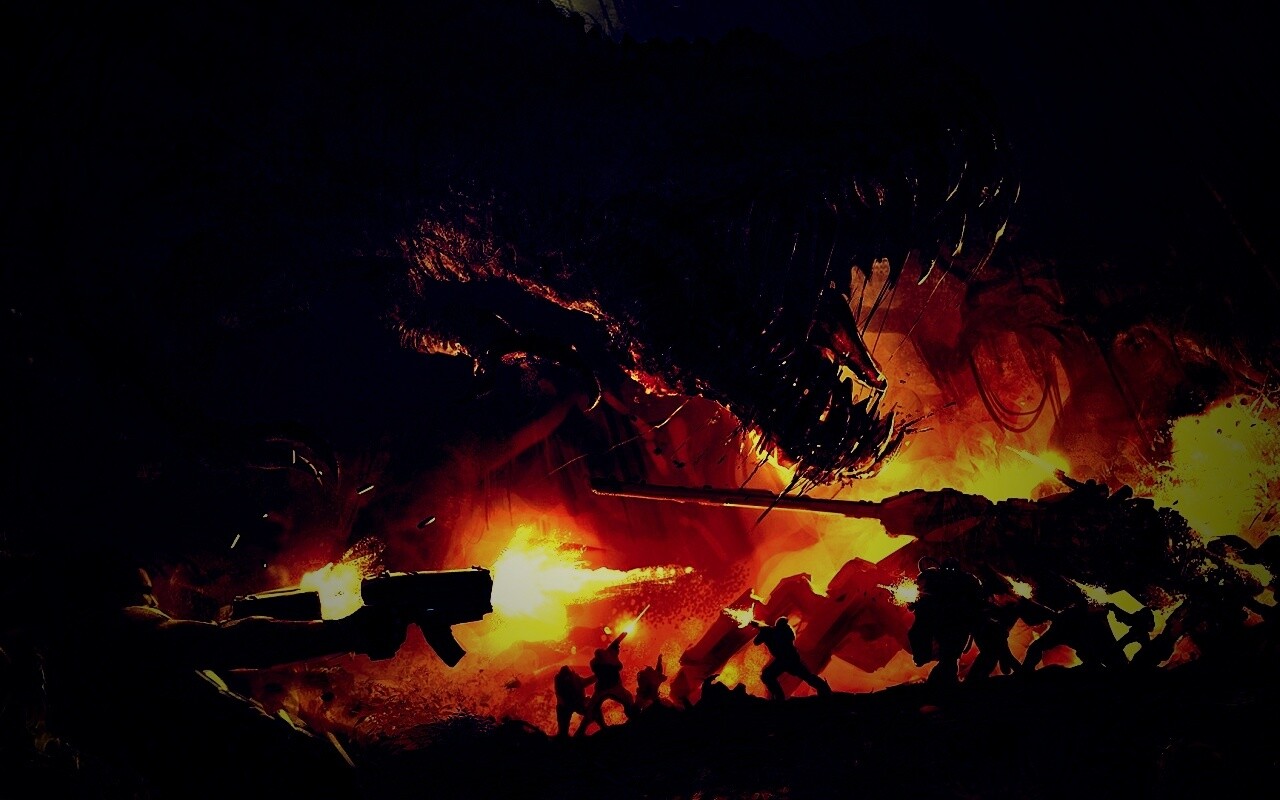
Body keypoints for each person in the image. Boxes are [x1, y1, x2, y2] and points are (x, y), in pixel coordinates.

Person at [25, 552, 410, 798]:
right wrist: (346, 632)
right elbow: (231, 642)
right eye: (145, 595)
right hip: (250, 777)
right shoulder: (119, 628)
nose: (154, 603)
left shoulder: (78, 664)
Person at [907, 556, 986, 685]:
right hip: (956, 623)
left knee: (949, 658)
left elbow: (923, 603)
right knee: (949, 657)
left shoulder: (938, 580)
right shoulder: (964, 580)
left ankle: (943, 685)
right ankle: (945, 683)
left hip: (951, 623)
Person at [750, 616, 831, 700]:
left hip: (785, 659)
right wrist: (764, 630)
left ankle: (779, 698)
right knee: (806, 676)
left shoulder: (776, 632)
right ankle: (823, 688)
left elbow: (756, 641)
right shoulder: (783, 631)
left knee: (767, 676)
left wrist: (763, 631)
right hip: (790, 658)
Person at [576, 632, 635, 736]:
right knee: (591, 709)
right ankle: (580, 732)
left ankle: (634, 719)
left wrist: (620, 637)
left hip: (614, 686)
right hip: (603, 689)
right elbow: (601, 673)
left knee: (628, 699)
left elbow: (614, 644)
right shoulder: (600, 663)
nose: (617, 650)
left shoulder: (608, 655)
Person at [552, 665, 595, 738]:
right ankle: (566, 737)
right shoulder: (561, 680)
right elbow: (559, 696)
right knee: (563, 731)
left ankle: (578, 733)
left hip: (575, 704)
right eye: (566, 677)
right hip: (566, 707)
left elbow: (585, 682)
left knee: (592, 713)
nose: (567, 679)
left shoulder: (574, 678)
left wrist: (597, 677)